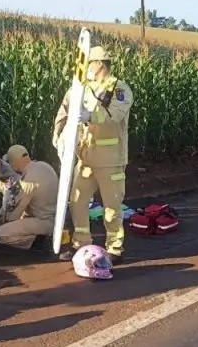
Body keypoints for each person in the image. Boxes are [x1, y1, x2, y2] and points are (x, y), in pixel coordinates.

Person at [52, 46, 134, 264]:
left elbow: (115, 115)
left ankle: (115, 248)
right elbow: (64, 111)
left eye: (89, 63)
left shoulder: (119, 89)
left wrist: (91, 114)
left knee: (112, 206)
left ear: (100, 64)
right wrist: (59, 136)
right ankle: (81, 244)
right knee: (76, 201)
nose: (86, 68)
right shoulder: (80, 89)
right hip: (85, 157)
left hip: (110, 160)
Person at [0, 151, 55, 250]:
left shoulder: (16, 177)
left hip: (33, 216)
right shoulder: (42, 166)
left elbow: (11, 208)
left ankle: (37, 241)